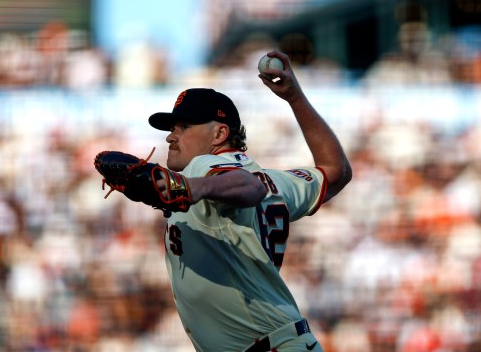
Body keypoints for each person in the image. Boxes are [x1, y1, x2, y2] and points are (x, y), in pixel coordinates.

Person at [147, 51, 352, 351]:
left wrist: (189, 187)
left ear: (219, 133)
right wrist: (295, 97)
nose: (170, 137)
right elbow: (336, 171)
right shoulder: (274, 181)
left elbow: (247, 187)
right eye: (172, 128)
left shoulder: (203, 168)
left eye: (184, 127)